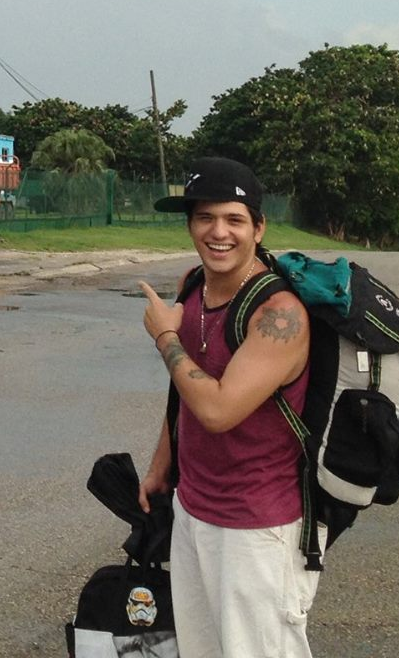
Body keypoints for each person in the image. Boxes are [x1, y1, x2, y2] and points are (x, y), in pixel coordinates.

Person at [134, 157, 316, 658]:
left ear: (259, 228)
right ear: (190, 225)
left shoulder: (279, 314)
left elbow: (216, 411)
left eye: (234, 219)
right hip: (193, 510)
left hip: (257, 529)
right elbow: (185, 395)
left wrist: (165, 337)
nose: (219, 233)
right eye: (205, 218)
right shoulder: (192, 285)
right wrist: (160, 466)